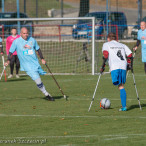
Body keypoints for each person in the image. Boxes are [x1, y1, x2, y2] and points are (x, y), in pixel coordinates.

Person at [5, 27, 55, 101]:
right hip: (27, 65)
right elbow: (11, 52)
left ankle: (46, 93)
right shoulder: (16, 42)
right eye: (24, 33)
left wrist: (42, 58)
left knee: (39, 77)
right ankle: (47, 94)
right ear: (20, 34)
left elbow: (38, 49)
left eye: (27, 33)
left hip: (35, 63)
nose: (26, 35)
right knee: (37, 79)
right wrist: (8, 60)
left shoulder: (32, 40)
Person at [100, 32, 132, 111]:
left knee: (120, 85)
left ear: (108, 38)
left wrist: (102, 66)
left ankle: (124, 107)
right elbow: (130, 55)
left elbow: (105, 55)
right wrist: (128, 64)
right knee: (121, 86)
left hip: (115, 66)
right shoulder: (122, 45)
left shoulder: (106, 44)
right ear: (115, 38)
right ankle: (123, 106)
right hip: (123, 66)